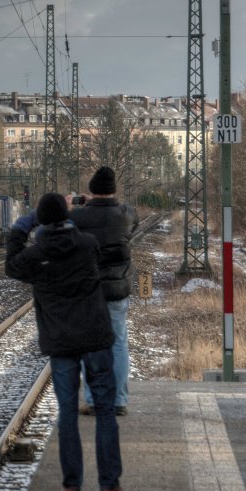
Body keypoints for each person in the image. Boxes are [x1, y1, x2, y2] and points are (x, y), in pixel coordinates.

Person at [5, 192, 132, 491]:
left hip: (61, 341)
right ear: (68, 216)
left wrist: (22, 227)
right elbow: (112, 245)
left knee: (67, 413)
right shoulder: (87, 244)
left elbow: (11, 264)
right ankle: (109, 486)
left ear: (41, 222)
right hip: (95, 337)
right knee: (105, 411)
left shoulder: (35, 256)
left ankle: (72, 488)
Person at [68, 166, 140, 417]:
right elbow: (125, 220)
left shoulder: (78, 218)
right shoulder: (127, 214)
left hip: (88, 291)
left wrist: (78, 207)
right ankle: (118, 401)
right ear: (114, 190)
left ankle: (95, 400)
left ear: (91, 190)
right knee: (118, 343)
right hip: (117, 290)